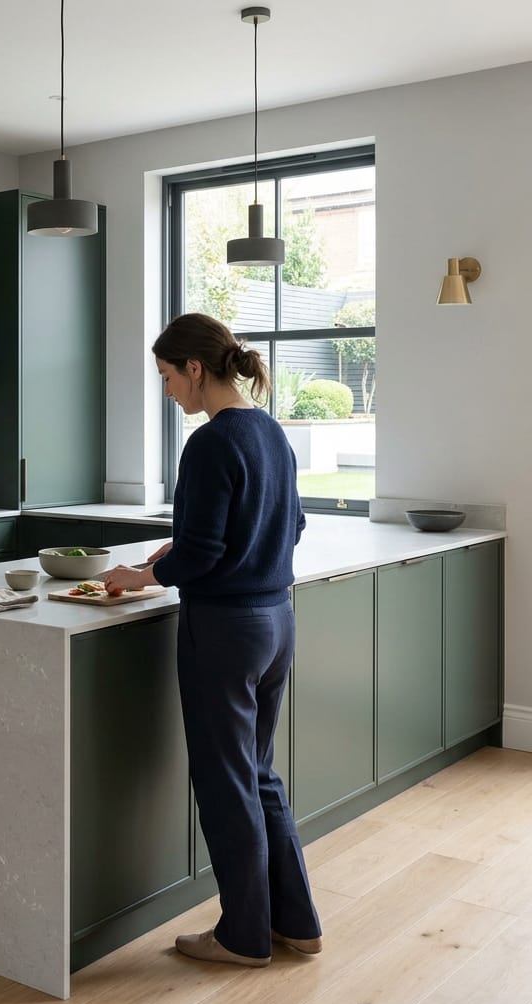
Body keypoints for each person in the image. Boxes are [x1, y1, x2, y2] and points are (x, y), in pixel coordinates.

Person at [102, 312, 322, 968]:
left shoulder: (211, 442)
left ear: (195, 369)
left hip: (224, 631)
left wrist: (143, 576)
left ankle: (243, 936)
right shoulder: (271, 433)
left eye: (168, 376)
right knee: (258, 775)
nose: (168, 390)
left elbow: (201, 553)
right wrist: (201, 554)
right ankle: (297, 924)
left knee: (225, 782)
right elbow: (292, 526)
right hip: (275, 622)